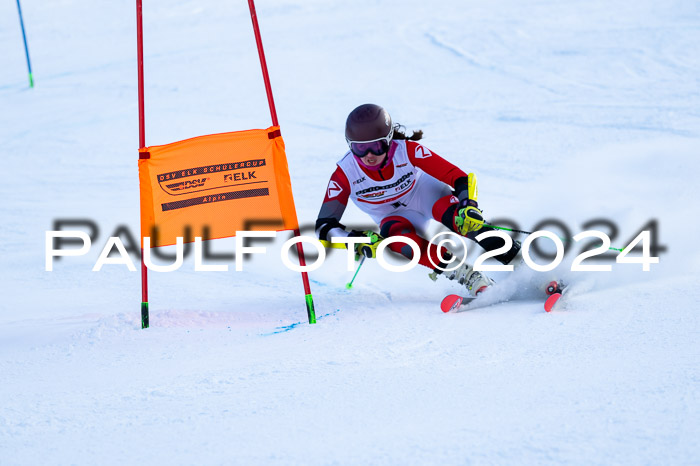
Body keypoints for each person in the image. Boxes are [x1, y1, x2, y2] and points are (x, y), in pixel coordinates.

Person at [315, 103, 522, 296]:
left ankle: (521, 261)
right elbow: (324, 226)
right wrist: (356, 241)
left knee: (462, 220)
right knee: (398, 241)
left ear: (388, 140)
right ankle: (470, 276)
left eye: (377, 147)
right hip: (393, 216)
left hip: (425, 195)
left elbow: (458, 177)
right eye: (360, 148)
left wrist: (469, 206)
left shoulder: (406, 150)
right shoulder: (345, 174)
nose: (369, 155)